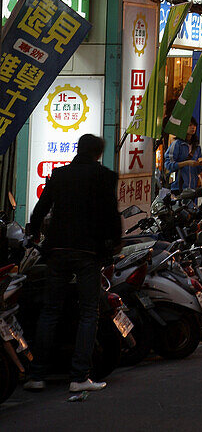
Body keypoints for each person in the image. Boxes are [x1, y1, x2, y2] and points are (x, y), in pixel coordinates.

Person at [25, 134, 121, 393]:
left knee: (50, 311)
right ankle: (79, 377)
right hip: (87, 251)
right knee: (89, 312)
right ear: (98, 154)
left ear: (79, 149)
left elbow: (41, 208)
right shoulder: (104, 176)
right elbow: (112, 214)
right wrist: (115, 242)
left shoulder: (60, 175)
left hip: (56, 249)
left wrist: (33, 232)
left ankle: (36, 375)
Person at [165, 117, 202, 191]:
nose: (193, 128)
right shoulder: (177, 144)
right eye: (189, 125)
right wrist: (186, 163)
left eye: (194, 125)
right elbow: (168, 165)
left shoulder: (196, 147)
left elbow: (198, 171)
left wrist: (200, 164)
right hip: (177, 187)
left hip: (192, 188)